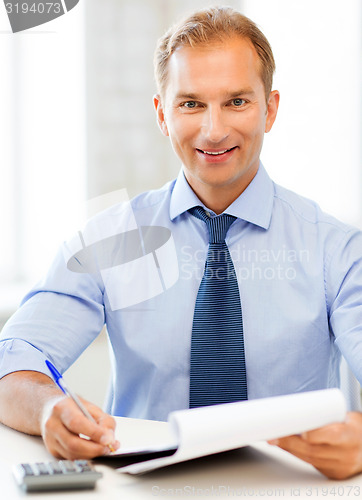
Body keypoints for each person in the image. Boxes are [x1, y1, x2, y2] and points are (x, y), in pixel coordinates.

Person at [1, 6, 362, 480]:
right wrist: (49, 409)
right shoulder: (110, 239)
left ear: (270, 108)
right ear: (161, 113)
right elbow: (16, 358)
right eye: (191, 103)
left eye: (237, 101)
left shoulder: (338, 250)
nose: (214, 131)